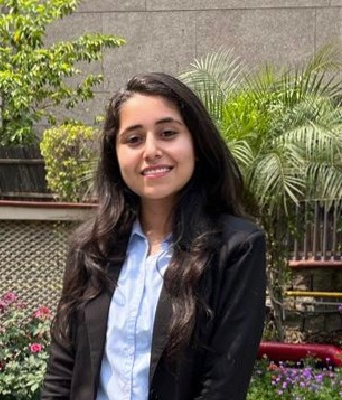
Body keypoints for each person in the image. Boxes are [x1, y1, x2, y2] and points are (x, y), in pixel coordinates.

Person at [41, 72, 267, 400]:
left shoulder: (236, 248)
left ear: (197, 144)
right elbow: (62, 369)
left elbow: (223, 386)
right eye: (133, 139)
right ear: (115, 155)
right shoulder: (92, 248)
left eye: (168, 133)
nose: (151, 150)